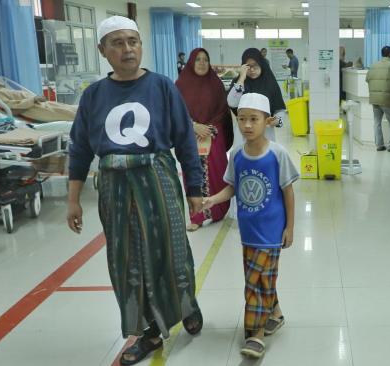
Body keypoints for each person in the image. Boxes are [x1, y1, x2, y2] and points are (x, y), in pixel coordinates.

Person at [65, 16, 204, 366]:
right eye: (117, 42)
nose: (127, 49)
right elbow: (79, 149)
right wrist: (73, 199)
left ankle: (185, 304)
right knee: (127, 261)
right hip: (114, 186)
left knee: (172, 251)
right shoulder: (94, 96)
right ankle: (148, 332)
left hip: (158, 179)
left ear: (141, 45)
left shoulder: (161, 87)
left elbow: (185, 139)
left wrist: (195, 188)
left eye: (133, 41)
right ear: (102, 50)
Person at [202, 92, 298, 359]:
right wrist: (211, 199)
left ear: (267, 121)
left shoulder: (277, 154)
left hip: (270, 231)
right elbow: (232, 187)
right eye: (242, 119)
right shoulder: (237, 155)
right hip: (248, 232)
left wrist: (290, 227)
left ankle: (254, 334)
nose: (246, 125)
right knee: (263, 278)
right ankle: (275, 314)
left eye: (253, 119)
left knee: (253, 283)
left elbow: (288, 192)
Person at [175, 48, 233, 232]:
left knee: (217, 174)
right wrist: (193, 126)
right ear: (191, 62)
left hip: (213, 134)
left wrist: (209, 129)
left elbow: (223, 111)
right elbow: (176, 112)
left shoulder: (215, 84)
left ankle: (218, 210)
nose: (201, 63)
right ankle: (197, 215)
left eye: (205, 60)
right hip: (190, 137)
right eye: (198, 59)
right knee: (193, 174)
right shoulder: (180, 85)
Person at [227, 48, 286, 142]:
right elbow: (232, 103)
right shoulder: (239, 82)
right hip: (244, 135)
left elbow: (280, 110)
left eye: (255, 65)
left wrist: (277, 120)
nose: (252, 69)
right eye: (248, 66)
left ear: (261, 64)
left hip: (265, 134)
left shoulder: (270, 82)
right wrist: (242, 77)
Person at [0, 78, 77, 122]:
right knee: (73, 114)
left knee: (74, 109)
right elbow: (12, 109)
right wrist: (33, 100)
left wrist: (35, 99)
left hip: (42, 106)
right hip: (37, 110)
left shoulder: (3, 91)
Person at [366, 46, 390, 152]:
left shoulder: (373, 65)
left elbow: (367, 79)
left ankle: (379, 145)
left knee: (377, 122)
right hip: (386, 98)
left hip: (374, 98)